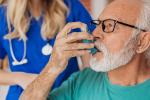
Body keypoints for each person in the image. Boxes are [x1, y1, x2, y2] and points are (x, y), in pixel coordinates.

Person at [20, 0, 150, 100]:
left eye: (109, 25)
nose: (95, 33)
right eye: (97, 24)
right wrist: (52, 67)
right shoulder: (82, 80)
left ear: (142, 41)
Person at [0, 0, 95, 99]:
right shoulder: (3, 15)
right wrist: (20, 78)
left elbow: (90, 63)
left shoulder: (71, 7)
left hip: (67, 94)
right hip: (23, 95)